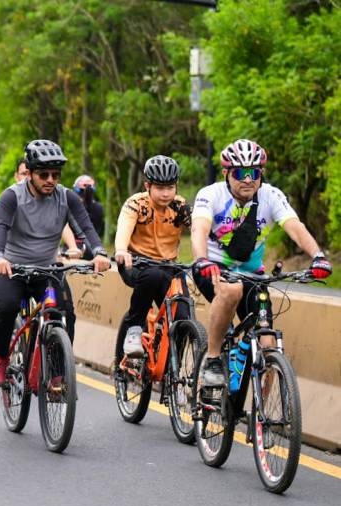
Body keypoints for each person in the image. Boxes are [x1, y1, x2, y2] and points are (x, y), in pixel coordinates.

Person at [191, 139, 331, 386]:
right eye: (240, 173)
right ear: (226, 173)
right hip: (212, 267)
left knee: (267, 344)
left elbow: (295, 227)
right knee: (231, 291)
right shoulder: (210, 194)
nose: (248, 179)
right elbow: (199, 230)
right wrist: (201, 259)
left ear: (261, 173)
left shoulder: (271, 195)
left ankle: (266, 420)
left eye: (253, 173)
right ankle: (213, 358)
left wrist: (318, 256)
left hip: (252, 275)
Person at [0, 139, 110, 386]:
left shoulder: (66, 198)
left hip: (47, 268)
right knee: (7, 306)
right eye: (44, 174)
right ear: (29, 174)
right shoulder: (12, 196)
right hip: (12, 268)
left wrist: (99, 252)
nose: (51, 180)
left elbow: (85, 227)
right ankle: (1, 356)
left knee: (66, 313)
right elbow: (0, 229)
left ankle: (56, 370)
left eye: (55, 174)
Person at [113, 156, 192, 362]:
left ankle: (171, 372)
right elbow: (124, 228)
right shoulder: (136, 204)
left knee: (183, 316)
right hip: (136, 263)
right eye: (160, 188)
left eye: (170, 187)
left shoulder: (180, 206)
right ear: (147, 185)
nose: (166, 193)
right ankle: (134, 330)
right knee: (152, 275)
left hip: (169, 266)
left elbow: (200, 230)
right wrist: (121, 249)